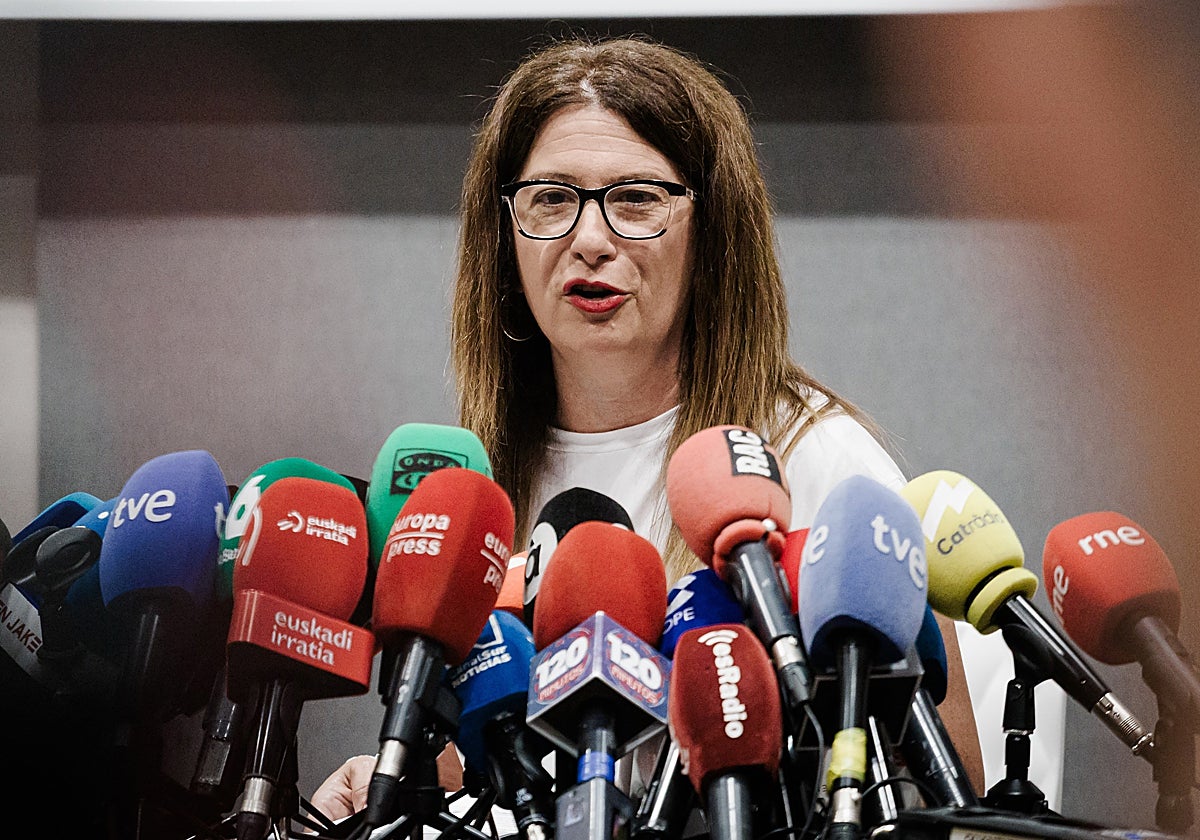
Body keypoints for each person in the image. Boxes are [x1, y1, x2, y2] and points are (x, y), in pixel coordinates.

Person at [315, 34, 984, 821]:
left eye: (635, 198)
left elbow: (953, 805)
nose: (590, 240)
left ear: (713, 234)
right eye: (551, 199)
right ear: (504, 235)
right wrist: (407, 789)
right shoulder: (477, 493)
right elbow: (498, 772)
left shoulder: (814, 463)